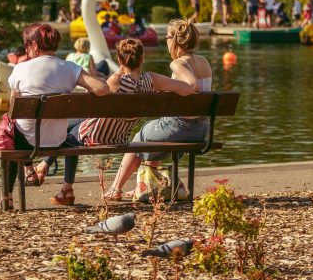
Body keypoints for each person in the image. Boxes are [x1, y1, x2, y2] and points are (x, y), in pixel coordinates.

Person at [33, 38, 194, 205]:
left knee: (67, 135)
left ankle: (55, 177)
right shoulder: (152, 79)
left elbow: (92, 104)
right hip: (120, 137)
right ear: (142, 59)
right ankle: (49, 172)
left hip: (95, 135)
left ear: (119, 60)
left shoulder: (115, 81)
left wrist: (114, 76)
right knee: (73, 127)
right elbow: (187, 88)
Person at [104, 18, 212, 201]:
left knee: (140, 136)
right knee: (152, 129)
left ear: (176, 40)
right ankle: (148, 186)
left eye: (168, 37)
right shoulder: (204, 61)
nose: (166, 41)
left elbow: (193, 85)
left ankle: (116, 188)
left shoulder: (178, 64)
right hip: (202, 129)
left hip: (180, 127)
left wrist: (172, 87)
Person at [4, 23, 109, 208]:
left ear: (35, 46)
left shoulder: (20, 69)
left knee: (10, 142)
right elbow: (103, 88)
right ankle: (66, 188)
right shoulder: (69, 68)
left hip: (26, 141)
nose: (27, 49)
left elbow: (13, 109)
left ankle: (8, 198)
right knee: (72, 137)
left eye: (27, 45)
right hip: (57, 139)